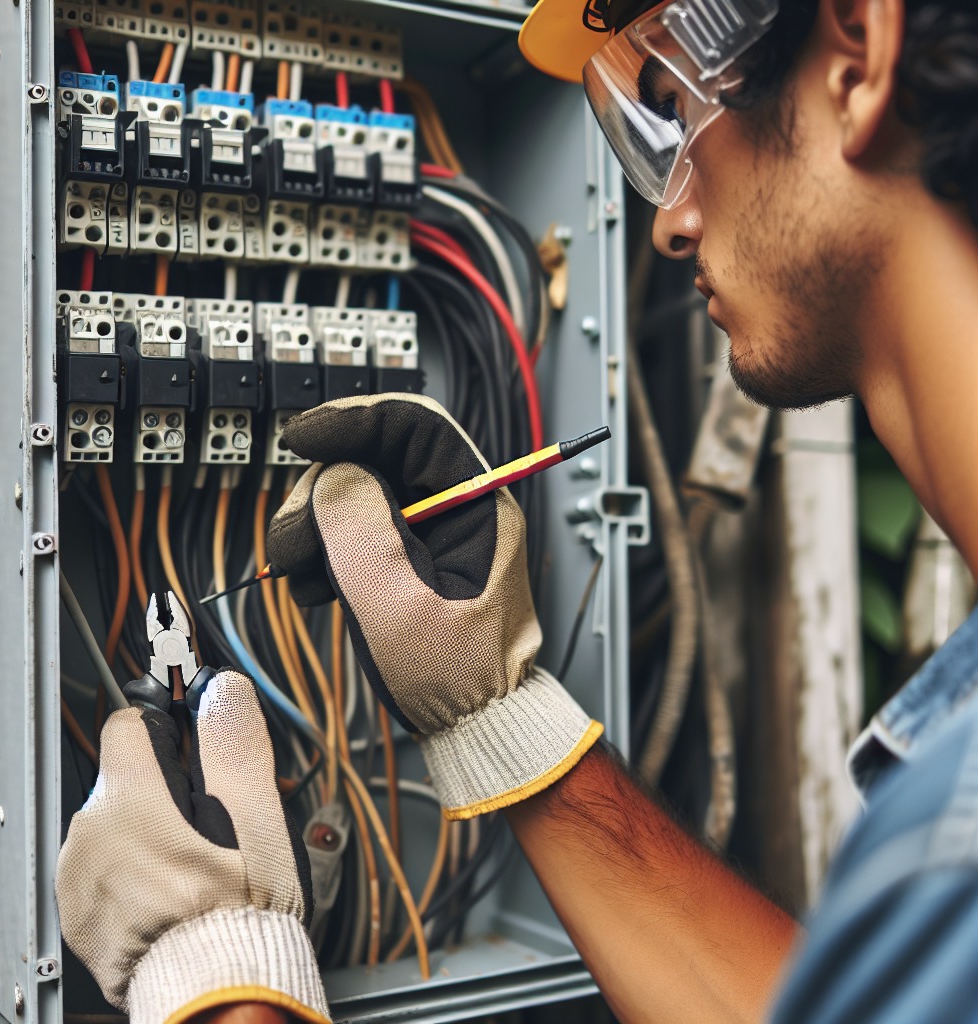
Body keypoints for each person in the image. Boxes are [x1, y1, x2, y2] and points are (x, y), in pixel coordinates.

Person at [55, 0, 978, 1020]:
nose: (667, 222)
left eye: (669, 111)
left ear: (856, 50)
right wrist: (498, 713)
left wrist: (218, 978)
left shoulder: (955, 834)